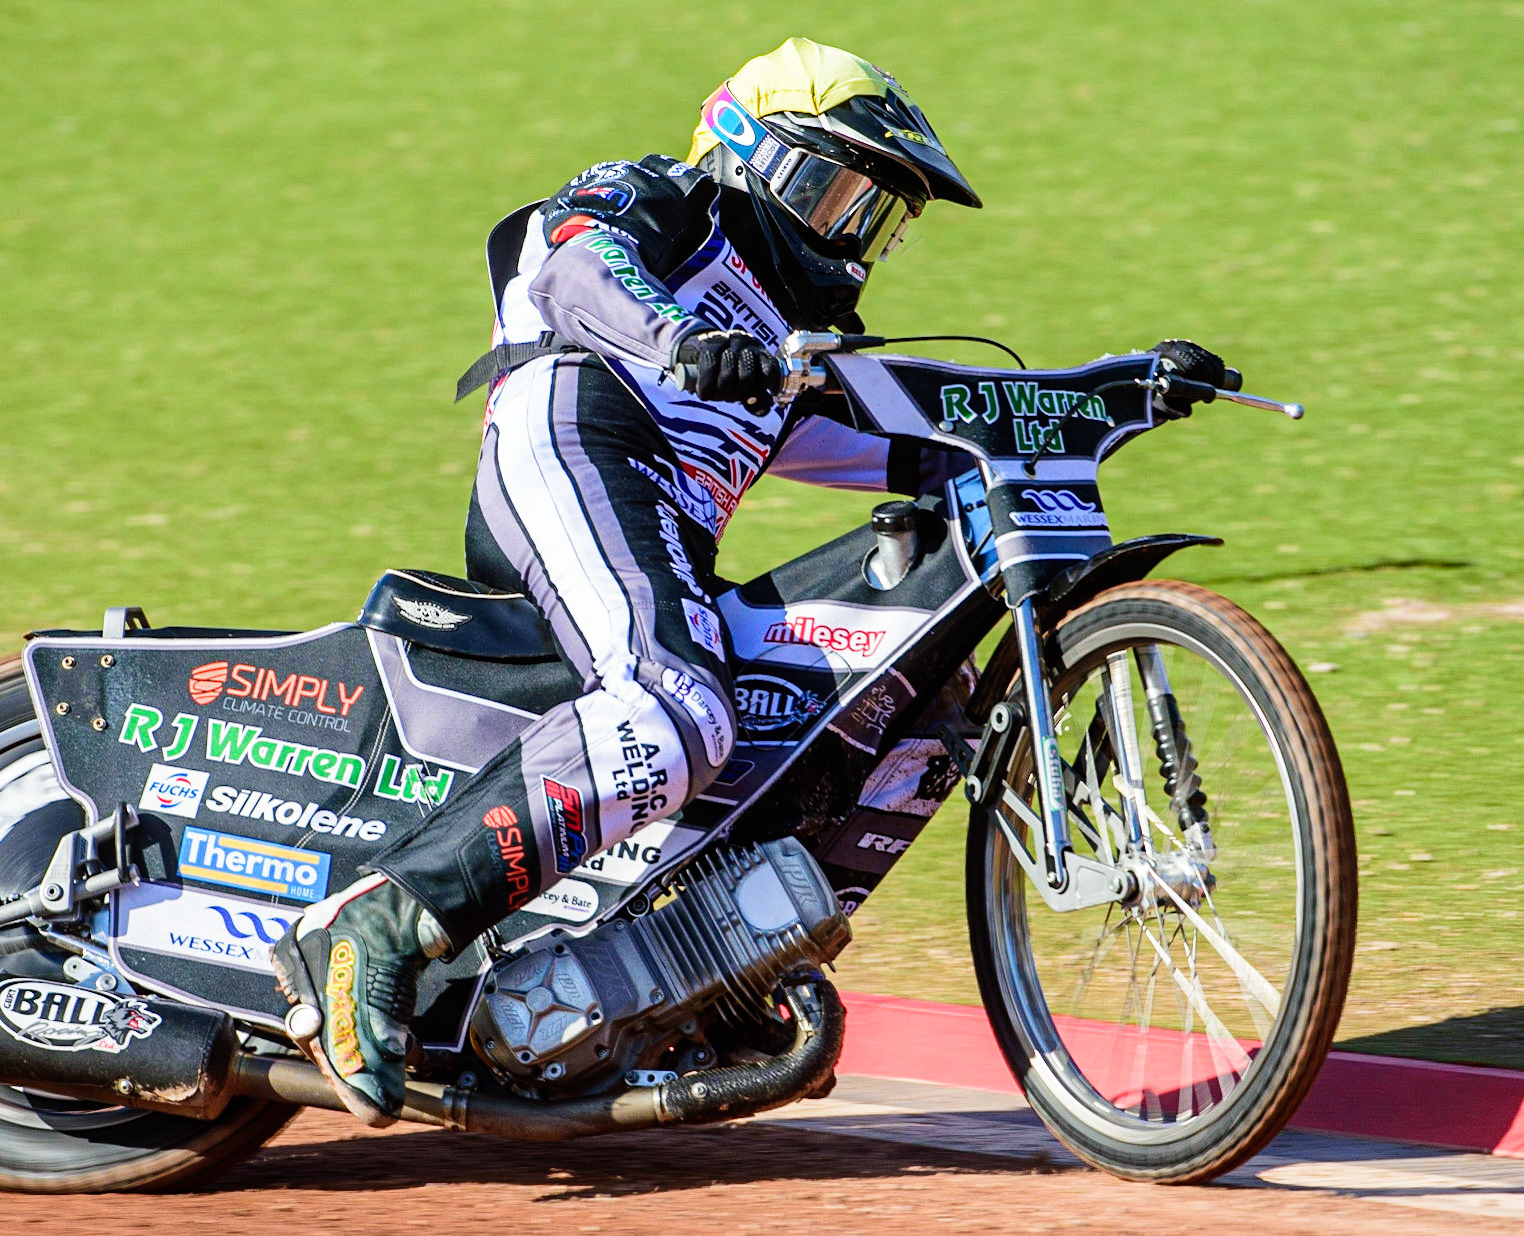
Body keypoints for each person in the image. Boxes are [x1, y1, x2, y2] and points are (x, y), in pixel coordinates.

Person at [273, 36, 1227, 1128]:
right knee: (671, 709)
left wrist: (1111, 394)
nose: (850, 234)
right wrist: (680, 339)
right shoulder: (664, 199)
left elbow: (931, 433)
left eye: (875, 214)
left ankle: (701, 967)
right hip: (575, 436)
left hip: (662, 526)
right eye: (833, 191)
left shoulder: (792, 343)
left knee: (890, 707)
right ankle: (378, 926)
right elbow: (570, 271)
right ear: (750, 155)